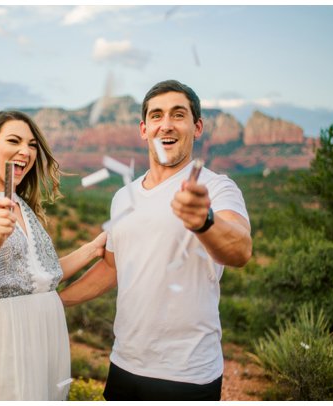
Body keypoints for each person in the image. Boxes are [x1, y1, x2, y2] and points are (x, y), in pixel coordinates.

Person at [59, 80, 253, 401]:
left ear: (197, 126)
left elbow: (240, 250)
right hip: (124, 362)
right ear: (144, 128)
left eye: (178, 115)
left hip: (188, 373)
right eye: (157, 116)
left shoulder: (217, 188)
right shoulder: (123, 197)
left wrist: (205, 221)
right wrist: (52, 303)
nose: (166, 124)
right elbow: (111, 269)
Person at [0, 110, 107, 400]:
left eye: (32, 144)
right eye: (14, 141)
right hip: (7, 334)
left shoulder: (25, 206)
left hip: (47, 332)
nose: (26, 151)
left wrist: (94, 248)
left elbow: (42, 277)